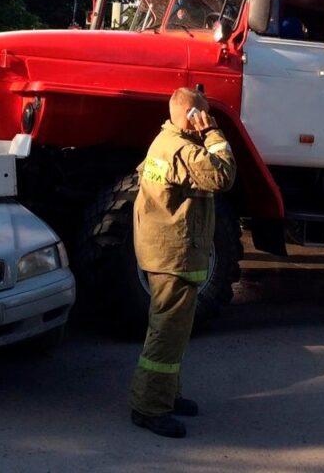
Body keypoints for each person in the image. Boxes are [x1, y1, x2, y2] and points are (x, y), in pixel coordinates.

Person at [129, 87, 236, 439]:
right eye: (203, 114)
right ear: (192, 116)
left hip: (168, 253)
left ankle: (165, 396)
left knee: (172, 333)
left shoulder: (165, 142)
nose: (207, 119)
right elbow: (224, 174)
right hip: (172, 256)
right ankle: (149, 408)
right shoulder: (183, 150)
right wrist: (213, 133)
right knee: (166, 334)